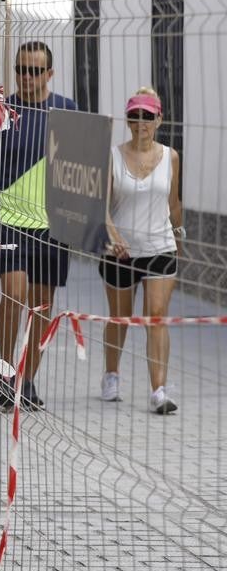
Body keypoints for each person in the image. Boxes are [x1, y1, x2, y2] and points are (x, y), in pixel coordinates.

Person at [0, 40, 78, 412]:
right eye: (21, 68)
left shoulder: (66, 110)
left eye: (35, 70)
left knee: (42, 306)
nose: (26, 76)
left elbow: (80, 168)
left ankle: (28, 379)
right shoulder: (1, 109)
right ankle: (7, 375)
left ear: (50, 74)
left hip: (53, 225)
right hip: (9, 220)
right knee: (14, 295)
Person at [100, 88, 183, 414]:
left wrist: (179, 239)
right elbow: (102, 206)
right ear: (128, 119)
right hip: (120, 251)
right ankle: (111, 374)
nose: (140, 122)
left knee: (156, 316)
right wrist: (112, 234)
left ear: (158, 119)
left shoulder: (171, 156)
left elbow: (174, 204)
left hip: (160, 247)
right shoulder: (113, 155)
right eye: (134, 116)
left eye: (147, 116)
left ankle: (158, 390)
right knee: (119, 318)